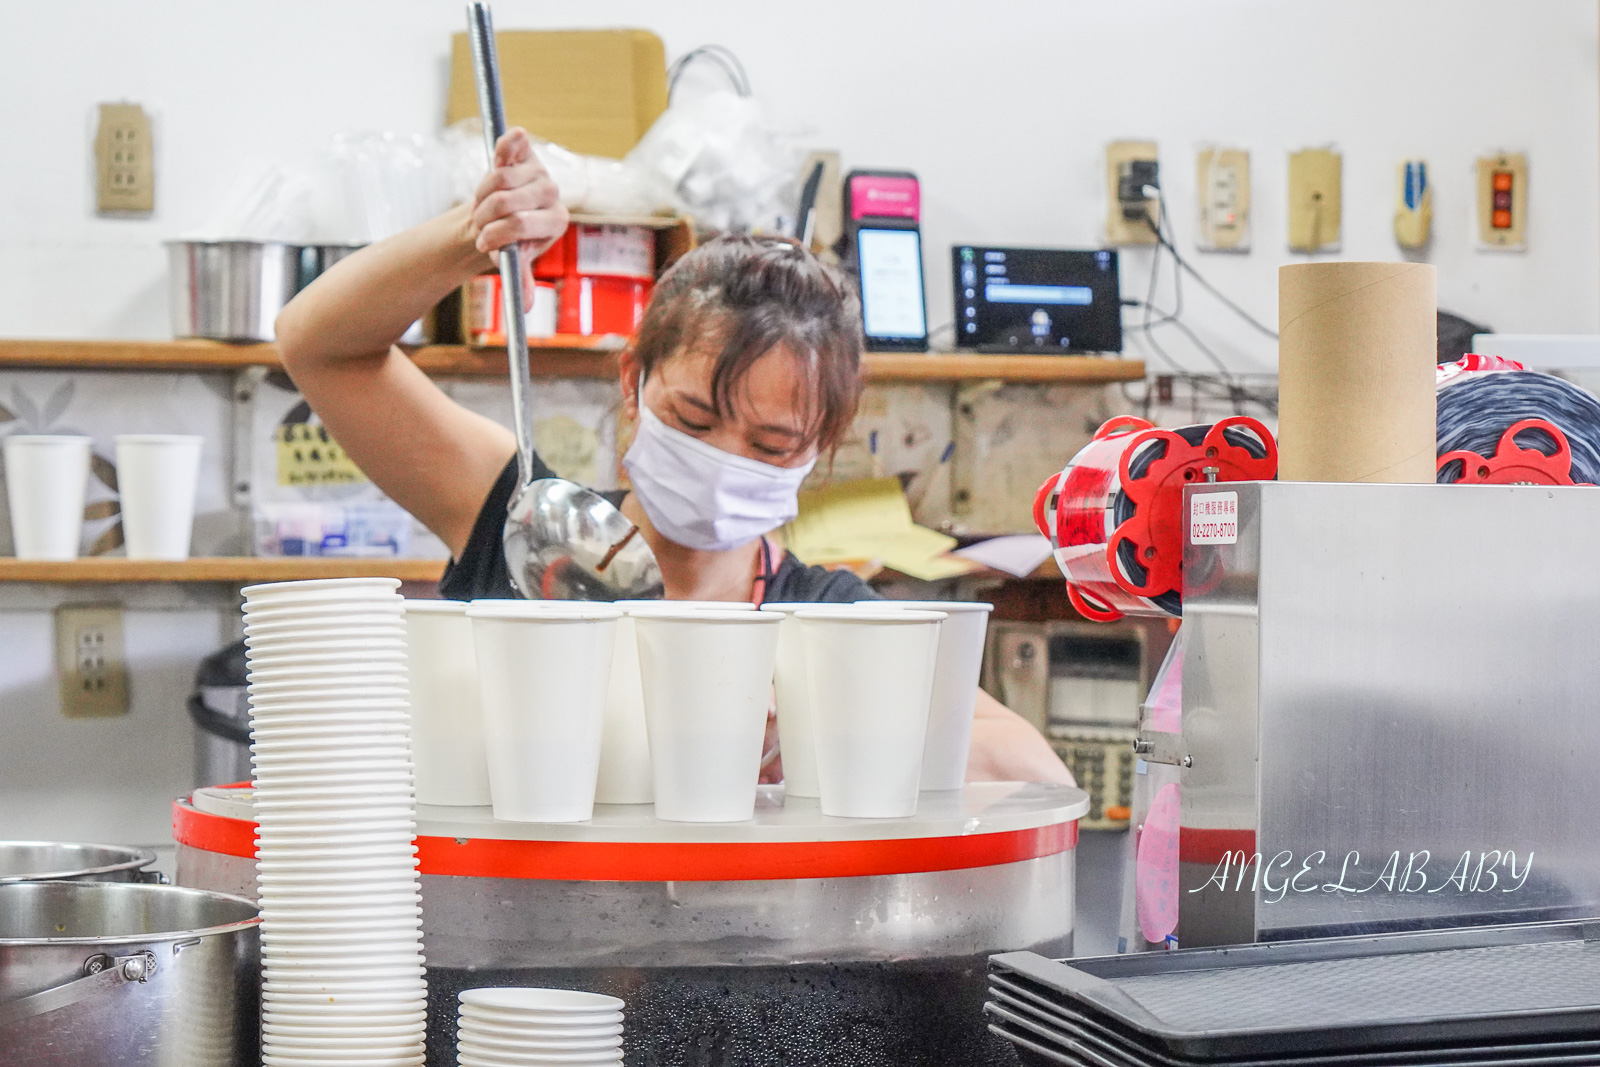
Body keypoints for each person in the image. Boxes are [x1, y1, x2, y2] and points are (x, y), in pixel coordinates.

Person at [275, 127, 1071, 786]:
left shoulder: (832, 626)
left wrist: (824, 719)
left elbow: (1035, 774)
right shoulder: (524, 526)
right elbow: (321, 346)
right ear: (633, 381)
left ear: (818, 447)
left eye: (770, 444)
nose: (724, 460)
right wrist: (468, 235)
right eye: (692, 418)